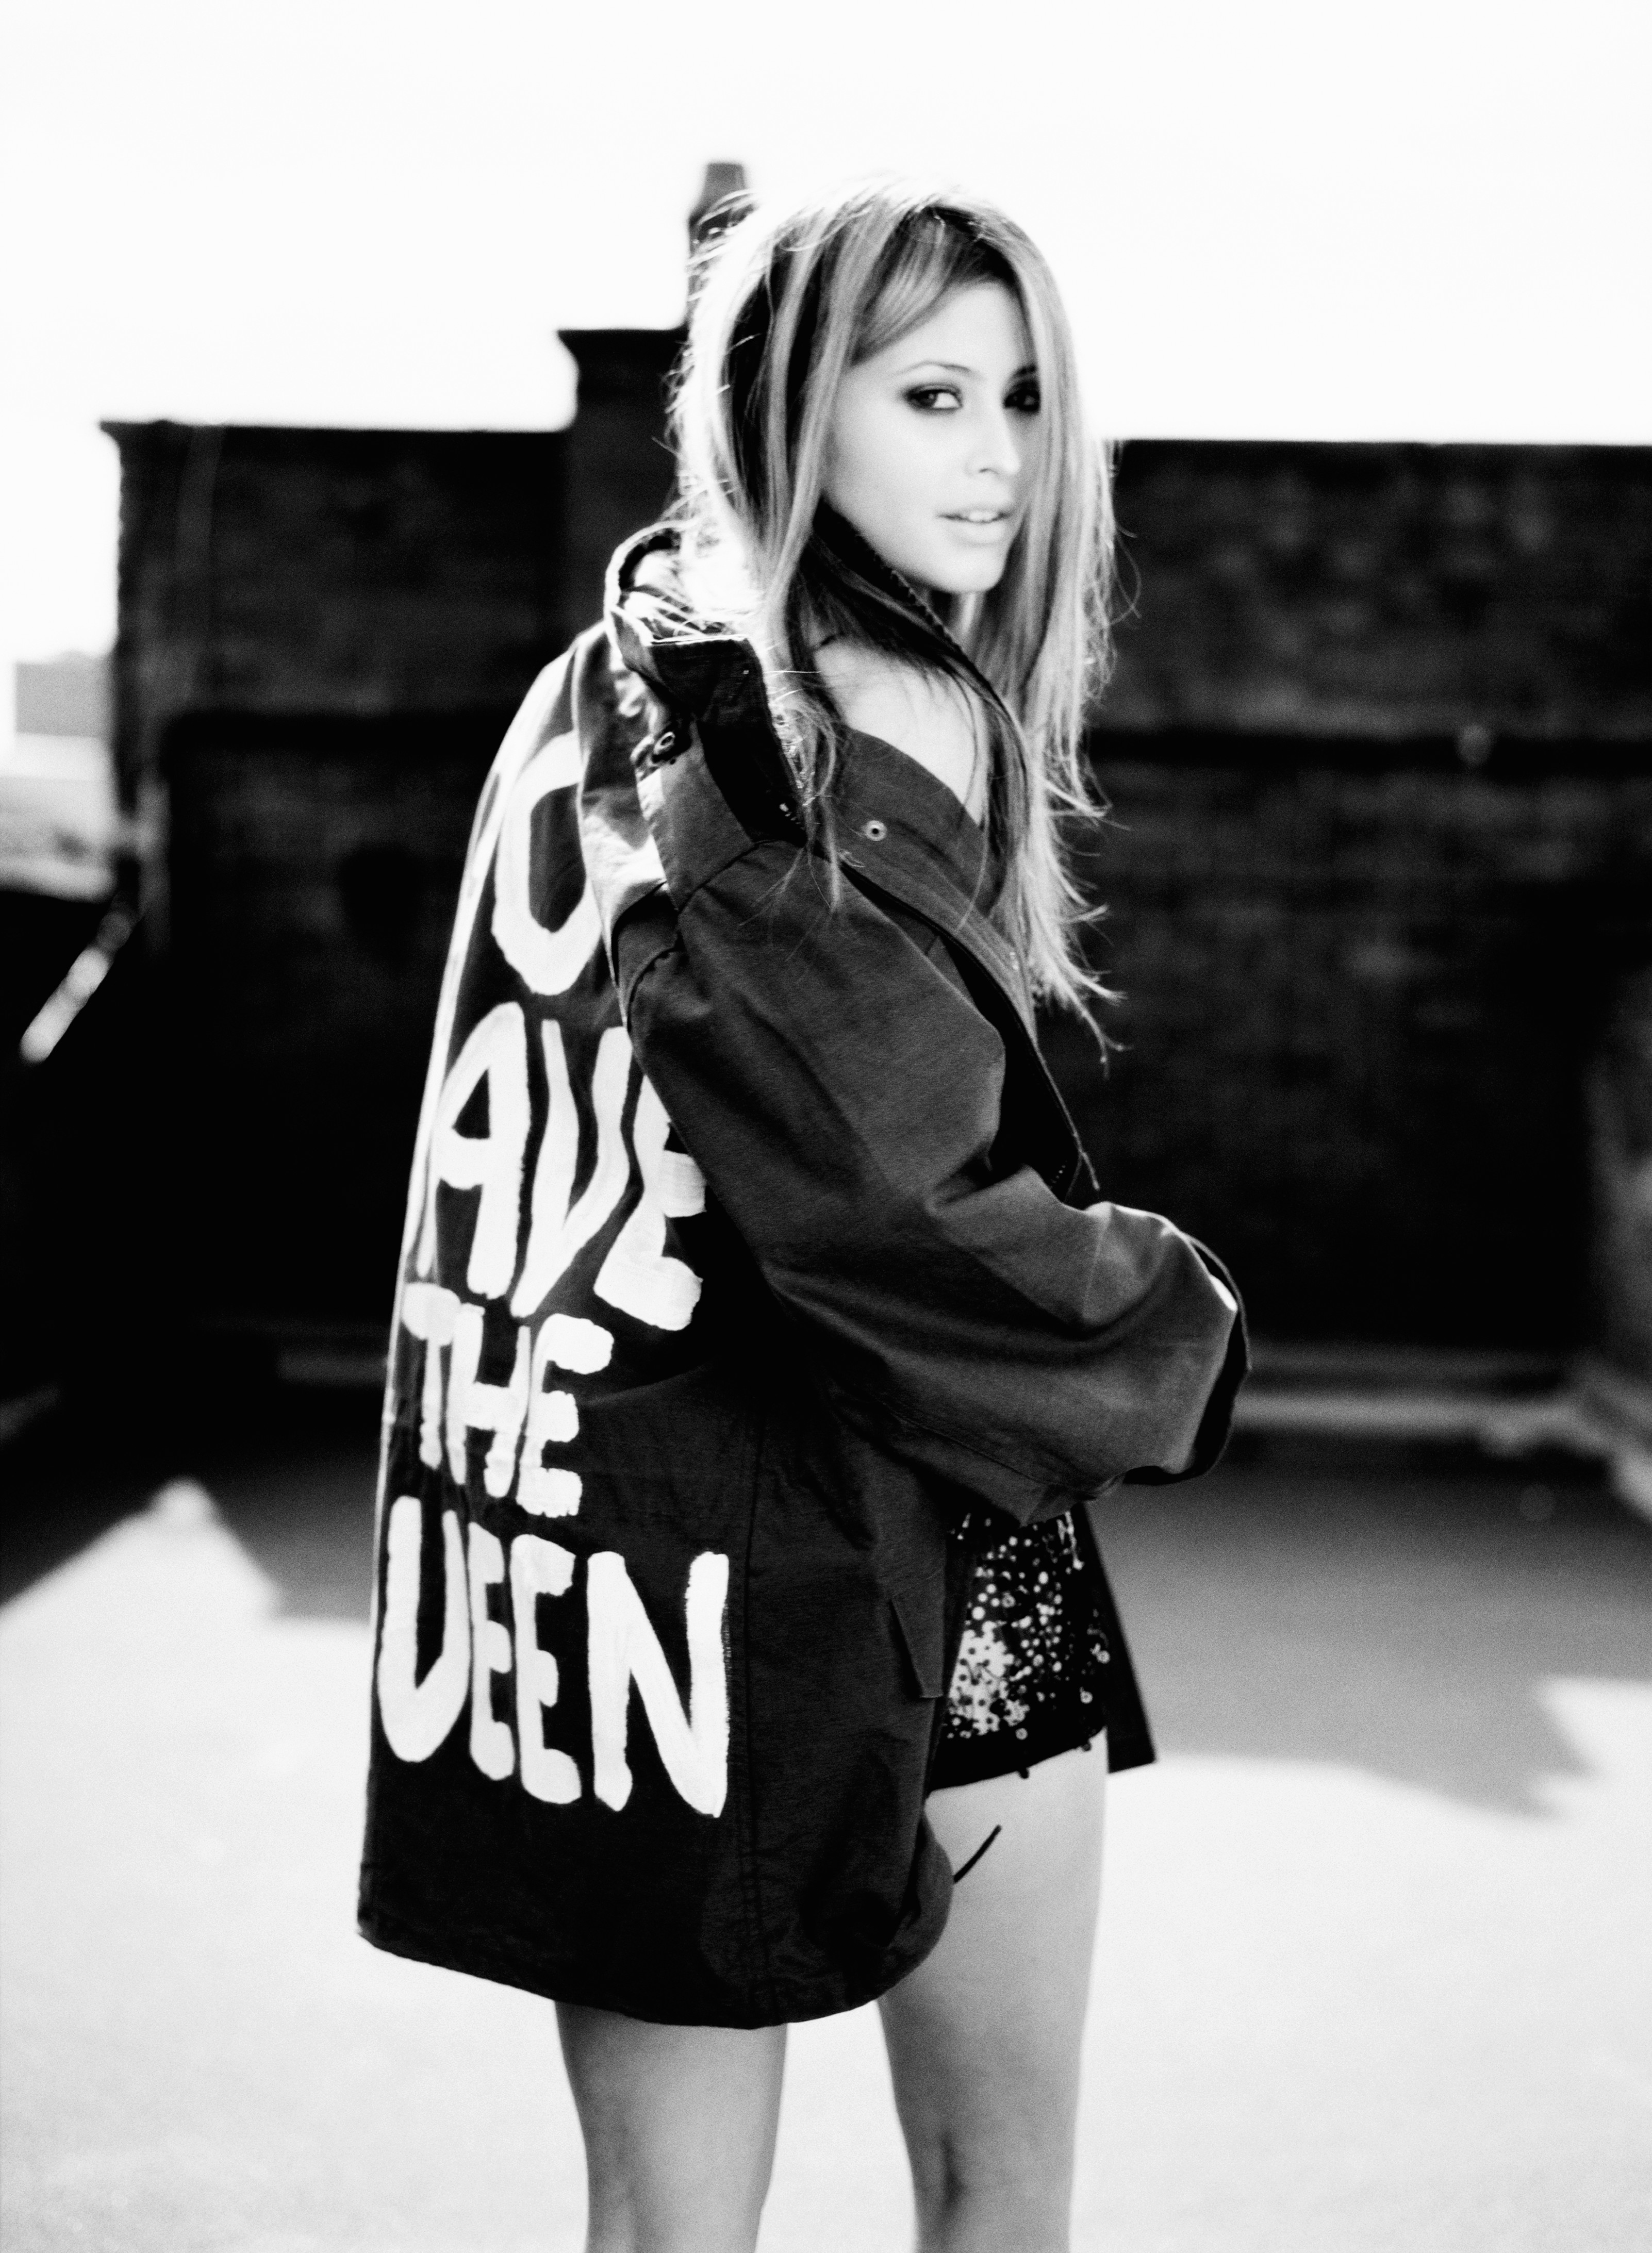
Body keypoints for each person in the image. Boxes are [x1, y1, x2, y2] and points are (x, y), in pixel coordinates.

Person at [358, 176, 1246, 2253]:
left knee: (662, 2228)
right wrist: (1172, 1332)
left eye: (1023, 398)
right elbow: (900, 1210)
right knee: (994, 2193)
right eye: (930, 394)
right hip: (911, 1558)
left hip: (618, 1583)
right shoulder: (879, 703)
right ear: (783, 398)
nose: (1001, 459)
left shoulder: (587, 697)